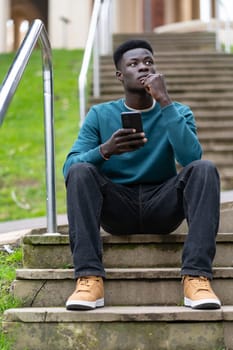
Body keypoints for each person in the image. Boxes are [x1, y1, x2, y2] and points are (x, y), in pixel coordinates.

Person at [63, 39, 221, 311]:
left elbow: (190, 158)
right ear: (120, 76)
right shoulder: (100, 115)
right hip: (117, 208)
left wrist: (165, 102)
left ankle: (196, 277)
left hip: (162, 205)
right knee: (80, 170)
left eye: (148, 61)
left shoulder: (178, 111)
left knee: (205, 169)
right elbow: (69, 170)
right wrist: (106, 150)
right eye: (133, 64)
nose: (143, 67)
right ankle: (89, 278)